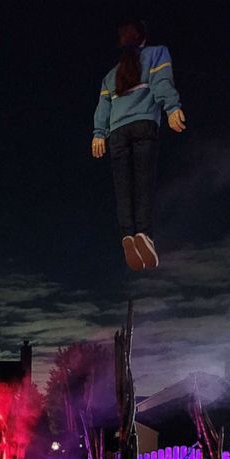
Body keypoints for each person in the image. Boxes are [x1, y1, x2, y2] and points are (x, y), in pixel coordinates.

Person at [92, 19, 186, 272]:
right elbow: (161, 84)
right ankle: (143, 234)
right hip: (144, 125)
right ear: (143, 38)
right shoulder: (157, 53)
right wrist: (172, 108)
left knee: (123, 189)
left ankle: (127, 235)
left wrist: (98, 134)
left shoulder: (111, 75)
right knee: (142, 183)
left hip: (117, 133)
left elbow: (103, 108)